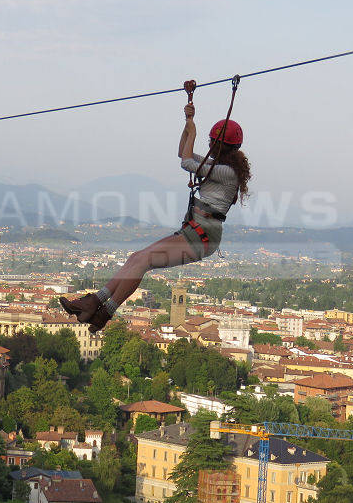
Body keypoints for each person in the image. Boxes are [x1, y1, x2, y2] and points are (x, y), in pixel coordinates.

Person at [61, 99, 250, 332]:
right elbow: (183, 152)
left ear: (218, 145)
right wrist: (188, 123)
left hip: (202, 236)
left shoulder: (226, 172)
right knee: (136, 257)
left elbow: (186, 162)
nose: (210, 145)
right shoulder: (216, 167)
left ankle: (104, 313)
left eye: (212, 142)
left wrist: (193, 130)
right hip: (195, 231)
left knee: (143, 261)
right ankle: (93, 303)